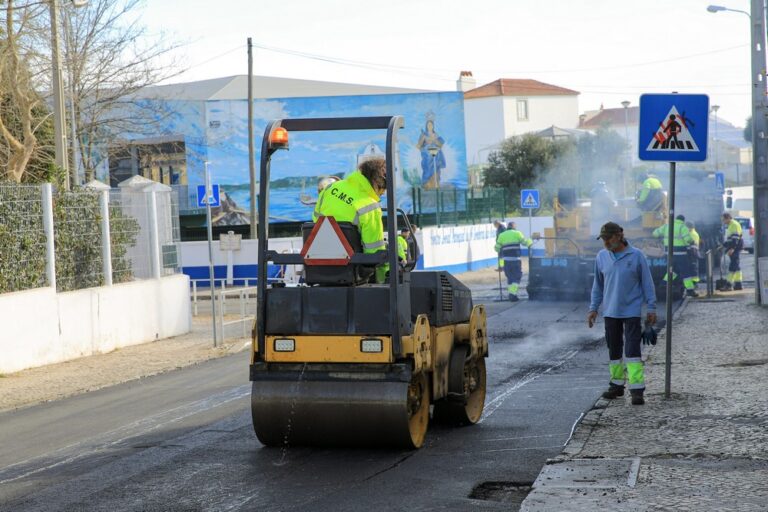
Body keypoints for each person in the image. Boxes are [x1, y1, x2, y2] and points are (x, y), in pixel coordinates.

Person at [587, 222, 657, 406]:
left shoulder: (636, 256)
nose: (605, 242)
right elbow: (597, 286)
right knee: (614, 349)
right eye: (603, 239)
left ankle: (637, 390)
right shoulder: (602, 256)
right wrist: (593, 308)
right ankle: (617, 385)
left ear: (619, 235)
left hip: (631, 311)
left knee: (632, 351)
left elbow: (647, 283)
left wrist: (651, 308)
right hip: (610, 312)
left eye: (608, 238)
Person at [313, 158, 389, 283]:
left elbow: (316, 220)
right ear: (377, 183)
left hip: (318, 266)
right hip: (350, 274)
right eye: (383, 189)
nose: (383, 193)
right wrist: (383, 277)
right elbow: (374, 252)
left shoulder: (331, 188)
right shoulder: (370, 206)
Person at [652, 214, 698, 297]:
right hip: (680, 254)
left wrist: (662, 239)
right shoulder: (682, 227)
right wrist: (692, 242)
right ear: (683, 220)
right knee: (685, 272)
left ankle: (664, 283)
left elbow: (655, 233)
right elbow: (687, 239)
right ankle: (690, 290)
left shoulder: (667, 226)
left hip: (669, 254)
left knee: (673, 270)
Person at [494, 221, 533, 302]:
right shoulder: (517, 233)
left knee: (510, 278)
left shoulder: (501, 235)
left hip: (506, 261)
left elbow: (497, 248)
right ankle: (512, 294)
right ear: (514, 227)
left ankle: (512, 295)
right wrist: (531, 240)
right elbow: (525, 243)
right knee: (517, 276)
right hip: (515, 260)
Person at [416, 113, 446, 189]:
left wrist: (434, 140)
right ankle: (427, 184)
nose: (430, 126)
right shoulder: (423, 135)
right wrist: (423, 148)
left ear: (433, 126)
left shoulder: (436, 134)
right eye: (428, 125)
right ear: (426, 126)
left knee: (436, 166)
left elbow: (440, 144)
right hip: (427, 154)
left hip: (436, 154)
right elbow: (419, 146)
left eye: (431, 125)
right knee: (428, 166)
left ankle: (436, 184)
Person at [720, 212, 744, 291]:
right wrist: (723, 245)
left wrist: (732, 248)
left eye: (723, 220)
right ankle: (738, 284)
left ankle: (729, 285)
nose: (723, 222)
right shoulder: (731, 225)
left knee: (733, 266)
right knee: (736, 266)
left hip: (735, 248)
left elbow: (735, 238)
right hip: (735, 247)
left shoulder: (734, 225)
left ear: (728, 218)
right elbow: (730, 239)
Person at [685, 220, 701, 291]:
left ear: (690, 227)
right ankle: (694, 284)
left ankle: (695, 284)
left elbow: (692, 245)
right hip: (693, 254)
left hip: (692, 254)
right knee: (693, 269)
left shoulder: (692, 234)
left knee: (693, 269)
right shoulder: (692, 233)